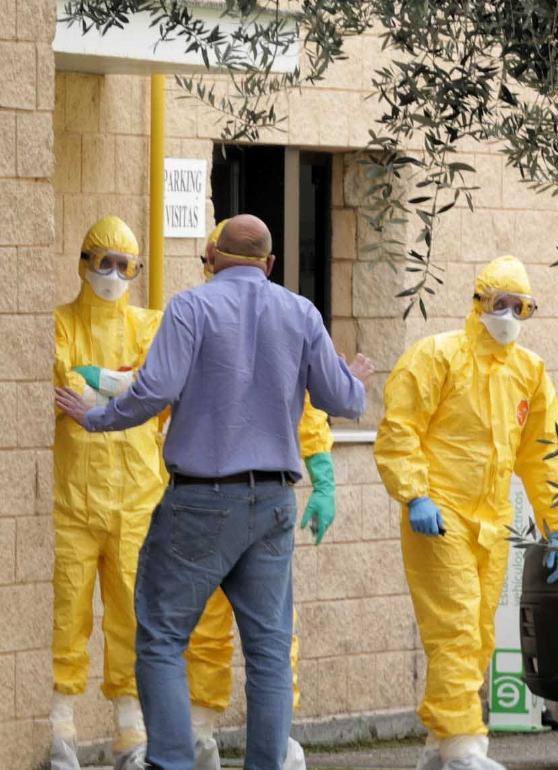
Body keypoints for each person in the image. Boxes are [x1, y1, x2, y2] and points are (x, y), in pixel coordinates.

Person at [53, 214, 373, 770]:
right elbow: (344, 401)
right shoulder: (301, 313)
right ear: (269, 264)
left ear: (214, 256)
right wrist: (356, 376)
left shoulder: (190, 307)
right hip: (272, 503)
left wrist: (97, 418)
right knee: (270, 651)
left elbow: (154, 391)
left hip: (200, 500)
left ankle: (172, 761)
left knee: (160, 635)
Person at [374, 255, 558, 770]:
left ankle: (440, 750)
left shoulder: (529, 373)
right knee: (456, 628)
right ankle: (464, 746)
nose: (508, 315)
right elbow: (400, 429)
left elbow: (544, 451)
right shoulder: (438, 357)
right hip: (439, 516)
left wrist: (557, 525)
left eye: (519, 306)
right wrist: (415, 494)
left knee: (478, 633)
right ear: (479, 301)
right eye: (500, 303)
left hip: (491, 523)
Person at [184, 219, 338, 770]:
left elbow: (308, 410)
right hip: (259, 499)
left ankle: (262, 741)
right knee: (255, 629)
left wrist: (324, 475)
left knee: (262, 630)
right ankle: (207, 733)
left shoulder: (193, 314)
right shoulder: (288, 315)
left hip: (206, 499)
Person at [50, 215, 163, 770]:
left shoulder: (150, 324)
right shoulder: (61, 322)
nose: (114, 274)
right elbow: (62, 381)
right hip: (75, 498)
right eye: (105, 262)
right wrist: (117, 386)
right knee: (68, 614)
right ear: (84, 262)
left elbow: (154, 383)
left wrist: (100, 382)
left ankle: (130, 734)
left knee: (130, 616)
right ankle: (60, 732)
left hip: (138, 497)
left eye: (125, 265)